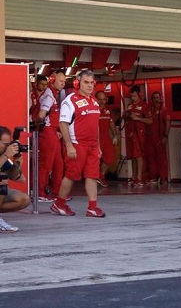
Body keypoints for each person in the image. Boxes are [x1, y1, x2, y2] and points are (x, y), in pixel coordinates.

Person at [51, 69, 105, 217]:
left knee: (92, 175)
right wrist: (69, 145)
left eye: (91, 83)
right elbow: (63, 123)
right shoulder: (70, 100)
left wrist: (98, 146)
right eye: (86, 82)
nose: (89, 86)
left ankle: (92, 207)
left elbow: (96, 126)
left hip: (92, 146)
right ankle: (59, 204)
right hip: (77, 144)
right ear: (77, 83)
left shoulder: (94, 101)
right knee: (71, 175)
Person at [36, 70, 67, 203]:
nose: (63, 84)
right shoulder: (49, 95)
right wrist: (43, 127)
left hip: (53, 132)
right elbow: (41, 115)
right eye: (61, 81)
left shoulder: (55, 94)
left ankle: (57, 192)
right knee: (46, 164)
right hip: (47, 131)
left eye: (64, 82)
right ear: (53, 80)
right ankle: (40, 192)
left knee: (58, 164)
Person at [0, 126, 30, 233]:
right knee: (2, 179)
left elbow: (18, 178)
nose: (8, 147)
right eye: (5, 144)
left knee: (23, 199)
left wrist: (17, 163)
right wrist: (6, 155)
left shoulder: (3, 154)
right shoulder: (4, 155)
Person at [124, 85, 152, 187]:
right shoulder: (130, 106)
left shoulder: (144, 106)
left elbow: (150, 120)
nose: (133, 98)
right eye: (131, 96)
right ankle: (134, 177)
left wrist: (138, 118)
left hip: (139, 134)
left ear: (139, 94)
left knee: (138, 156)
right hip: (130, 133)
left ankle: (139, 178)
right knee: (132, 156)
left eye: (134, 96)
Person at [145, 91, 171, 183]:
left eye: (157, 97)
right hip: (150, 137)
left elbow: (168, 124)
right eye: (154, 98)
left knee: (161, 158)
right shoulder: (149, 109)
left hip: (160, 136)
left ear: (161, 98)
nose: (156, 99)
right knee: (151, 157)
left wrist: (165, 136)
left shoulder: (164, 110)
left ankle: (163, 177)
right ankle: (153, 176)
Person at [96, 91, 119, 187]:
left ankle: (100, 176)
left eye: (103, 99)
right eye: (99, 99)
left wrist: (115, 135)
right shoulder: (93, 109)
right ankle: (95, 176)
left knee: (109, 157)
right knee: (95, 159)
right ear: (95, 99)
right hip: (95, 138)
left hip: (106, 137)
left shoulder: (108, 109)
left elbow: (111, 123)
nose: (102, 102)